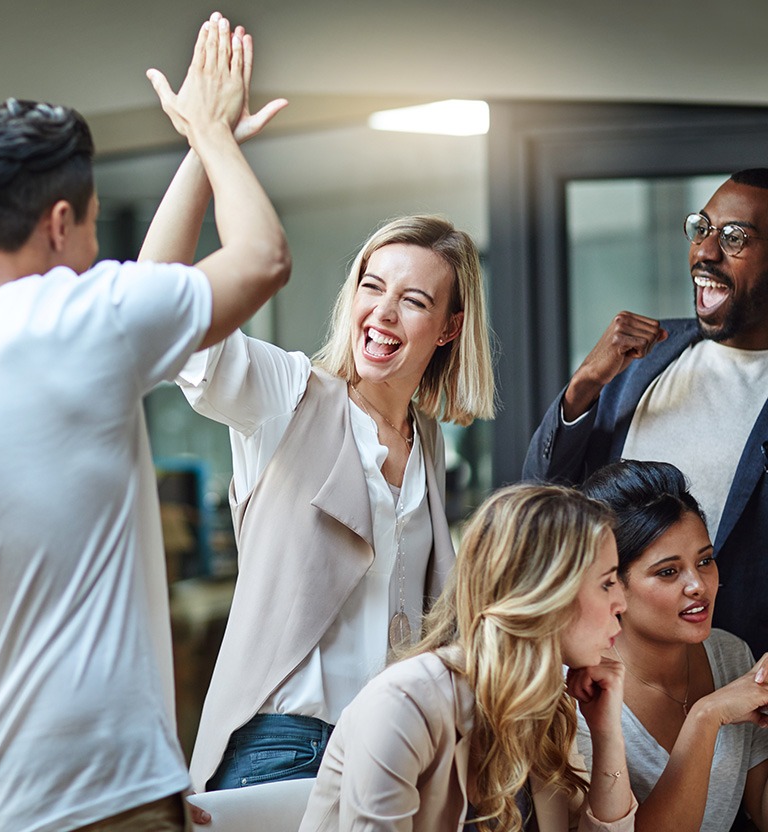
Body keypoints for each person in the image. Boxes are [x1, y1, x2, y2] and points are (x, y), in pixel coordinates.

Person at [0, 13, 290, 832]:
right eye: (93, 223)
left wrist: (205, 152)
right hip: (105, 795)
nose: (99, 249)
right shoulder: (89, 320)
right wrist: (211, 133)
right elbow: (263, 257)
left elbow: (149, 294)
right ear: (60, 222)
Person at [144, 146, 495, 813]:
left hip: (395, 746)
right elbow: (160, 308)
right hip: (284, 742)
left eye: (412, 300)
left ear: (449, 329)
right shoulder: (288, 394)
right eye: (372, 285)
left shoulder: (427, 445)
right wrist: (202, 144)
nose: (383, 312)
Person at [523, 168, 768, 659]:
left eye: (735, 237)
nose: (705, 251)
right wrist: (585, 383)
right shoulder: (643, 359)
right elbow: (542, 494)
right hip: (607, 665)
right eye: (702, 228)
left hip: (741, 674)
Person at [298, 482, 636, 832]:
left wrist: (607, 732)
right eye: (607, 583)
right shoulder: (404, 702)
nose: (622, 604)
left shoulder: (540, 708)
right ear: (545, 593)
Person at [577, 460, 768, 832]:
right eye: (668, 571)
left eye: (705, 560)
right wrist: (705, 716)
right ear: (611, 583)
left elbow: (761, 809)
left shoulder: (731, 654)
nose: (699, 585)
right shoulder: (581, 690)